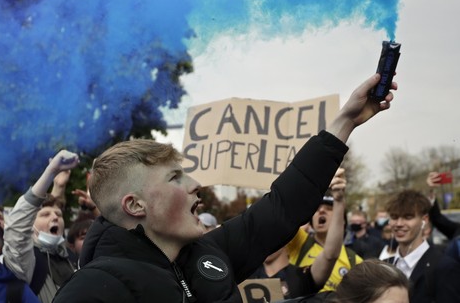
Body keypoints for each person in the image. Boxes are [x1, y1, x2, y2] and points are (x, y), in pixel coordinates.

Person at [53, 73, 397, 302]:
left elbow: (281, 208)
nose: (194, 184)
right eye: (175, 178)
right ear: (135, 205)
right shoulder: (92, 291)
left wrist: (345, 121)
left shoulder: (207, 254)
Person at [248, 170, 347, 299]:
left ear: (287, 238)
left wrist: (339, 202)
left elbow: (330, 255)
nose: (265, 240)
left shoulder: (301, 279)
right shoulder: (245, 276)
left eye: (271, 234)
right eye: (260, 234)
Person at [3, 155, 80, 303]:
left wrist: (59, 187)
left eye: (58, 214)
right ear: (30, 227)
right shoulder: (26, 261)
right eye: (45, 215)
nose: (55, 217)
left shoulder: (71, 257)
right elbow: (16, 228)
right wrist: (50, 172)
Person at [384, 190, 460, 303]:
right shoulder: (385, 266)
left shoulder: (444, 267)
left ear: (424, 220)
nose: (399, 224)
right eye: (394, 217)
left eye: (408, 217)